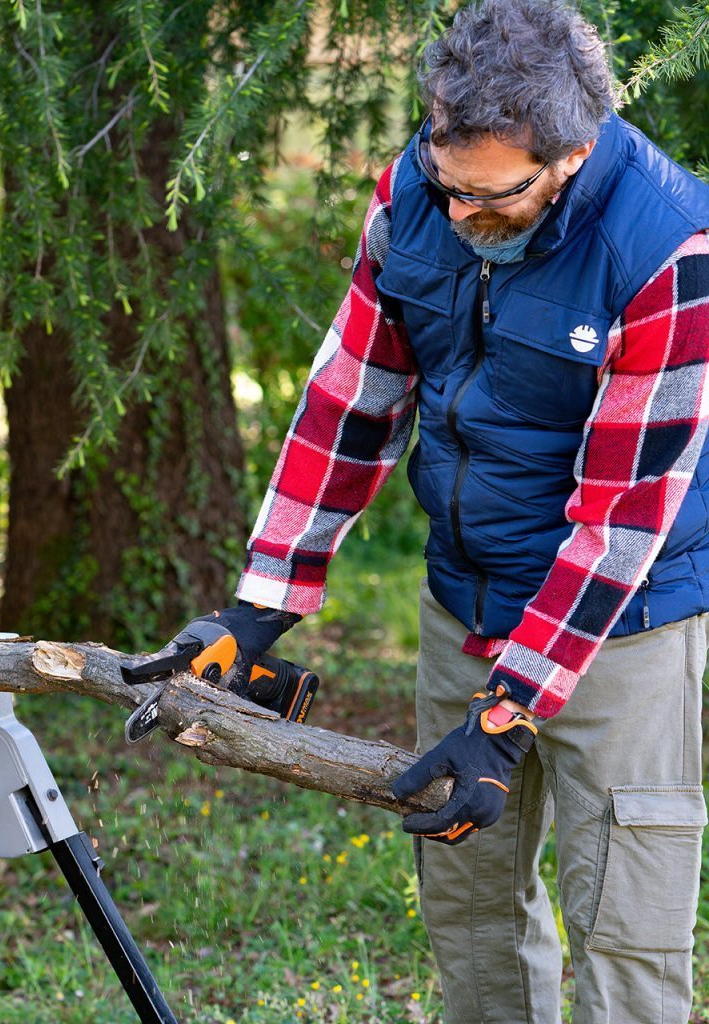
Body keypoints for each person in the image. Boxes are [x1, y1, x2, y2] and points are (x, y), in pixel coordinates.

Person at [159, 1, 709, 1021]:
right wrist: (259, 607)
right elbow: (349, 401)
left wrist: (507, 715)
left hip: (621, 628)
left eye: (490, 196)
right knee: (469, 916)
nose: (459, 216)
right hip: (463, 603)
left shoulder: (667, 249)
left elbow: (622, 518)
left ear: (572, 154)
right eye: (445, 184)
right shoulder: (418, 190)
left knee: (625, 939)